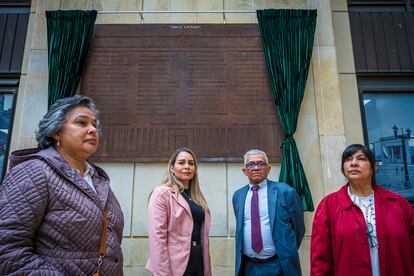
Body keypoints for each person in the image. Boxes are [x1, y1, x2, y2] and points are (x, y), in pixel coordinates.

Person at [0, 96, 124, 275]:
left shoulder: (98, 179)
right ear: (57, 132)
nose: (92, 130)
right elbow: (7, 250)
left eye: (94, 125)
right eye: (81, 123)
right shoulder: (33, 172)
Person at [311, 144, 414, 276]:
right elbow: (320, 259)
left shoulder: (398, 204)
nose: (353, 163)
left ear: (374, 167)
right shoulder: (329, 206)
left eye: (361, 159)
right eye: (348, 159)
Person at [232, 149, 305, 276]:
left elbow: (299, 228)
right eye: (251, 164)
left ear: (268, 168)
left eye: (261, 164)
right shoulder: (238, 196)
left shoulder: (286, 192)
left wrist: (286, 250)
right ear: (245, 171)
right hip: (248, 267)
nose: (256, 168)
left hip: (279, 265)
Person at [146, 147, 212, 276]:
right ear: (172, 168)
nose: (187, 166)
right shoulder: (162, 193)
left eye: (191, 163)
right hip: (175, 265)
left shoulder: (197, 197)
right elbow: (157, 238)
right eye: (181, 162)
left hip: (199, 261)